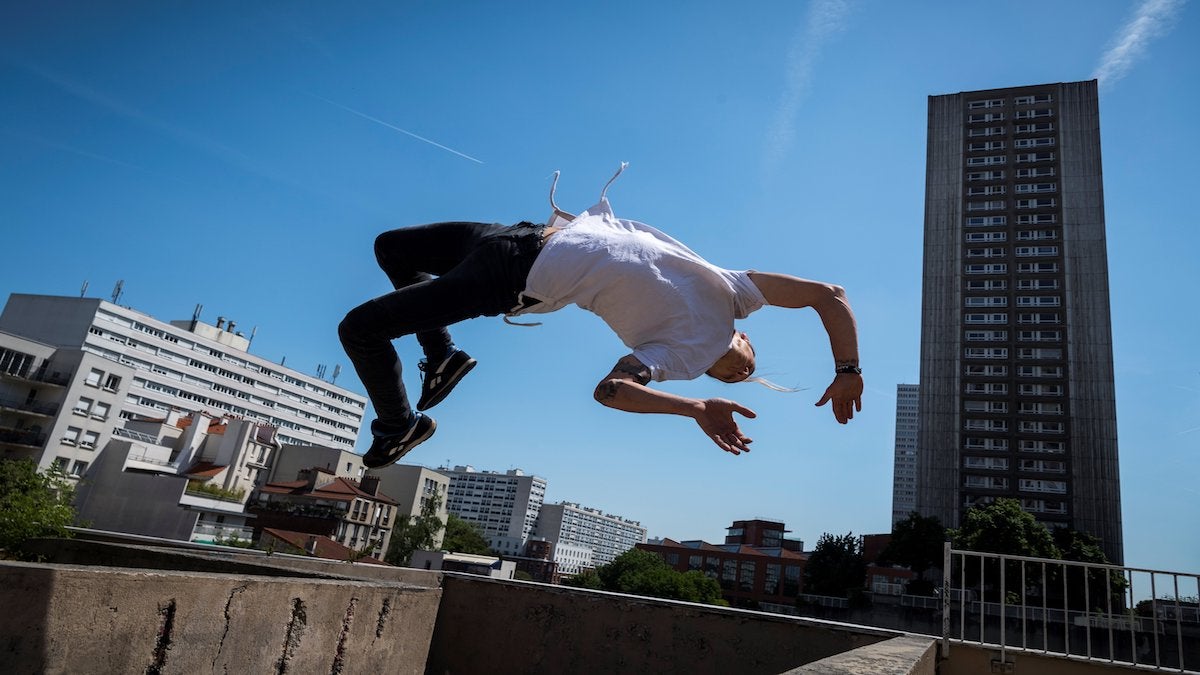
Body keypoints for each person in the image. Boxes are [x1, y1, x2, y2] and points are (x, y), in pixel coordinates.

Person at [339, 166, 863, 469]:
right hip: (517, 235)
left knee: (359, 329)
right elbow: (828, 295)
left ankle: (399, 426)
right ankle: (441, 355)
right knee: (391, 248)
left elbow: (610, 391)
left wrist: (696, 406)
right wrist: (847, 371)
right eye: (749, 365)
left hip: (512, 279)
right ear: (746, 336)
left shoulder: (677, 358)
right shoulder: (734, 292)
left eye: (730, 379)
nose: (740, 373)